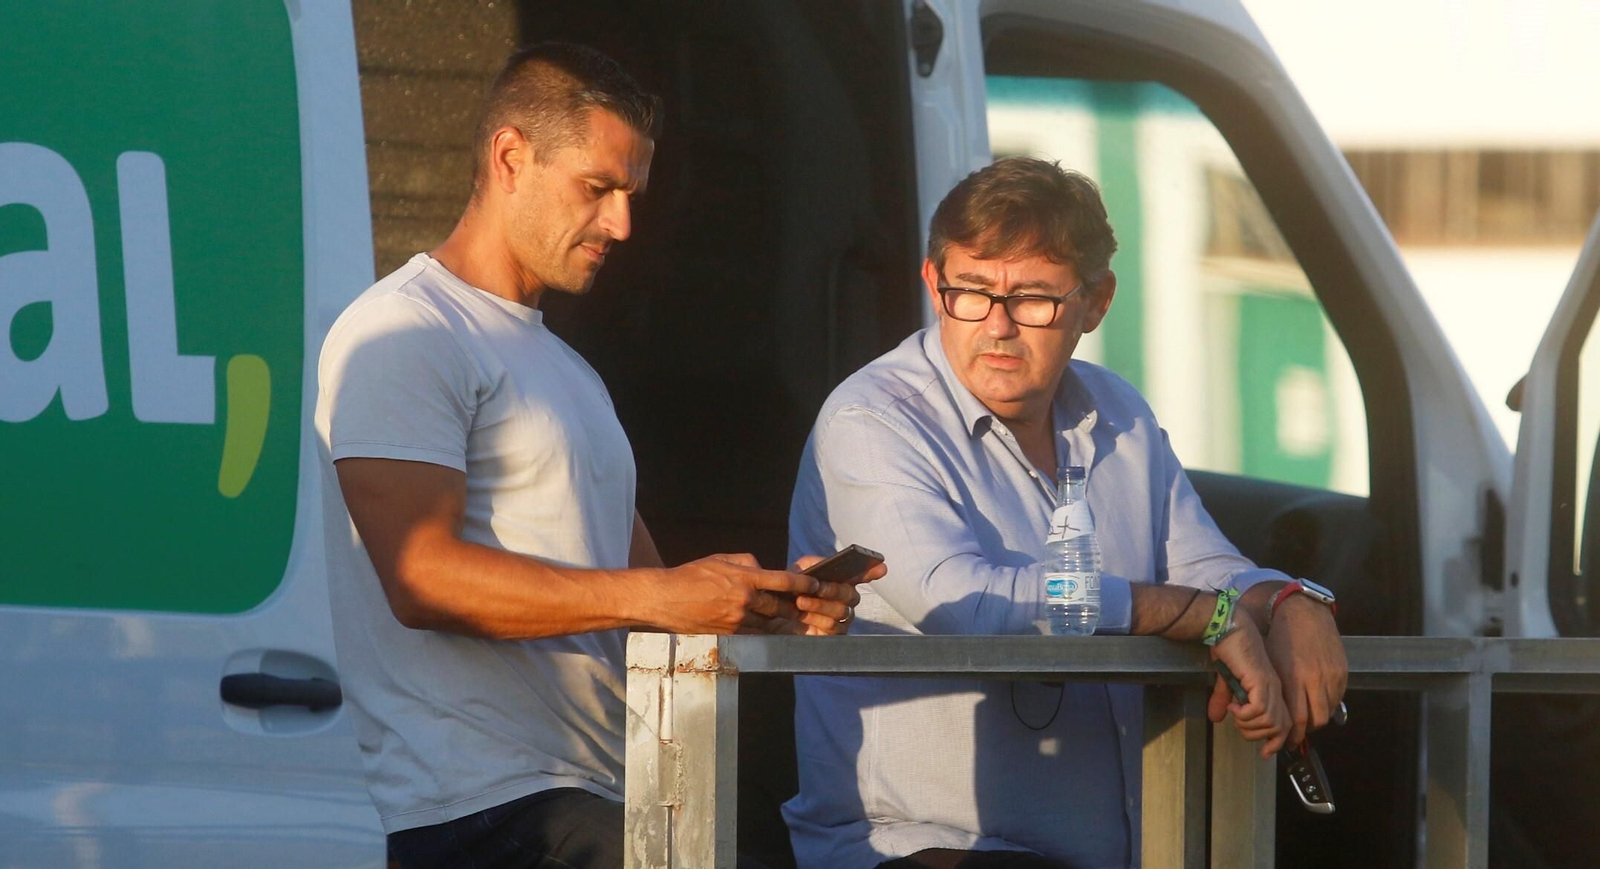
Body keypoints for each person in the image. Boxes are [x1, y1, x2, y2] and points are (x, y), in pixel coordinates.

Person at [315, 43, 879, 869]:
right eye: (598, 187)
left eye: (631, 194)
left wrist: (764, 608)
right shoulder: (404, 330)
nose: (623, 224)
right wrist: (663, 593)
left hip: (606, 794)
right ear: (510, 156)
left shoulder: (566, 368)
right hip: (490, 814)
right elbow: (419, 576)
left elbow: (643, 597)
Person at [783, 157, 1347, 869]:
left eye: (1033, 299)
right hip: (924, 846)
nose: (997, 326)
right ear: (933, 283)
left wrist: (1291, 600)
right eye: (971, 292)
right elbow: (963, 602)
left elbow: (1208, 568)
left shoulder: (1118, 412)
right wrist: (1191, 614)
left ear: (1097, 301)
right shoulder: (872, 419)